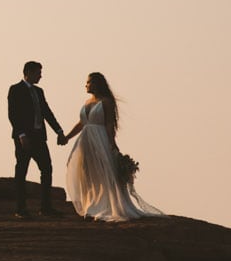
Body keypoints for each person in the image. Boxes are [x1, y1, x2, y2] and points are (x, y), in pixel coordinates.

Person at [62, 71, 163, 221]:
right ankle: (92, 205)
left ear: (97, 84)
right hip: (85, 141)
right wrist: (67, 137)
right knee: (88, 172)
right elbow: (82, 123)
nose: (86, 85)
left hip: (100, 138)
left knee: (104, 170)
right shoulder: (87, 102)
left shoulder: (106, 101)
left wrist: (111, 143)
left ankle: (107, 206)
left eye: (89, 82)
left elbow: (109, 124)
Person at [7, 61, 66, 217]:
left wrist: (59, 131)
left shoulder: (39, 92)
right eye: (38, 72)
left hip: (39, 137)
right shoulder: (15, 90)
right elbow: (13, 114)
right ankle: (20, 209)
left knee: (47, 169)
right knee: (21, 171)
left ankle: (45, 207)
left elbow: (46, 112)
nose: (41, 76)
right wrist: (21, 135)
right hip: (24, 139)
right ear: (29, 72)